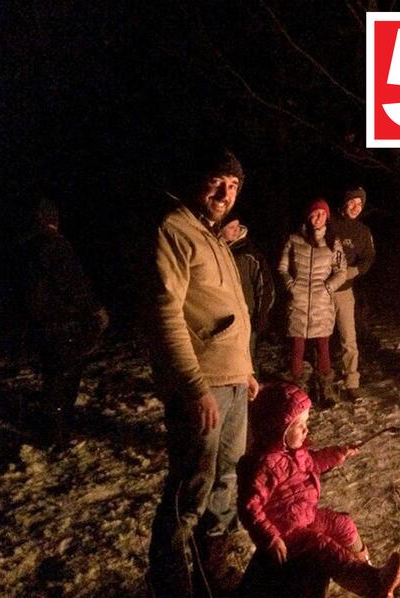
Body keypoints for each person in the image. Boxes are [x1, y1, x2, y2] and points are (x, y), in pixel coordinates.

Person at [145, 147, 259, 597]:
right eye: (217, 182)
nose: (225, 194)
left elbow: (227, 309)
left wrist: (245, 369)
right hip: (202, 386)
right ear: (198, 182)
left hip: (231, 380)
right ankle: (170, 578)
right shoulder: (175, 230)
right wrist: (193, 387)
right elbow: (166, 314)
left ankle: (213, 568)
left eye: (233, 186)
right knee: (192, 484)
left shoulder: (212, 236)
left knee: (227, 476)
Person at [237, 382, 400, 597]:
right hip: (285, 530)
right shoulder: (262, 465)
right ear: (278, 428)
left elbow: (312, 463)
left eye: (306, 422)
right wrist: (269, 537)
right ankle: (370, 585)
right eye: (299, 425)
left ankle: (369, 568)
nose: (306, 429)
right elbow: (250, 507)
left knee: (342, 523)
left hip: (304, 516)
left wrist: (336, 455)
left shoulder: (294, 451)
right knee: (323, 546)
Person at [16, 197, 108, 445]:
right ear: (52, 220)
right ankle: (57, 434)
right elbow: (74, 284)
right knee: (63, 380)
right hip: (63, 325)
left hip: (41, 325)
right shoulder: (55, 246)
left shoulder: (26, 248)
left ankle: (53, 429)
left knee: (53, 377)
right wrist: (94, 310)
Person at [278, 198, 347, 407]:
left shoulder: (333, 242)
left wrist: (328, 287)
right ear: (308, 216)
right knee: (297, 347)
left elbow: (341, 271)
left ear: (327, 217)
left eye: (322, 214)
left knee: (323, 346)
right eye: (315, 213)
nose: (318, 218)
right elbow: (282, 267)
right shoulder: (294, 239)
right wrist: (290, 285)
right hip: (298, 301)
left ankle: (325, 390)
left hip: (321, 303)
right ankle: (297, 394)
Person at [332, 186, 376, 400]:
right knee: (320, 337)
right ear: (344, 204)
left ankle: (352, 381)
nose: (356, 207)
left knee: (348, 337)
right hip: (321, 290)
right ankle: (323, 379)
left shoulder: (362, 231)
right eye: (352, 203)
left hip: (344, 291)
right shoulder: (328, 224)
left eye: (360, 204)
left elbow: (369, 257)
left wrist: (355, 270)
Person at [219, 213, 275, 376]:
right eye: (231, 227)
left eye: (238, 226)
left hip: (247, 317)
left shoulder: (249, 254)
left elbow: (265, 286)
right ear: (220, 229)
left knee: (248, 357)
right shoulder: (215, 252)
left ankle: (253, 388)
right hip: (222, 317)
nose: (236, 230)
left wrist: (262, 315)